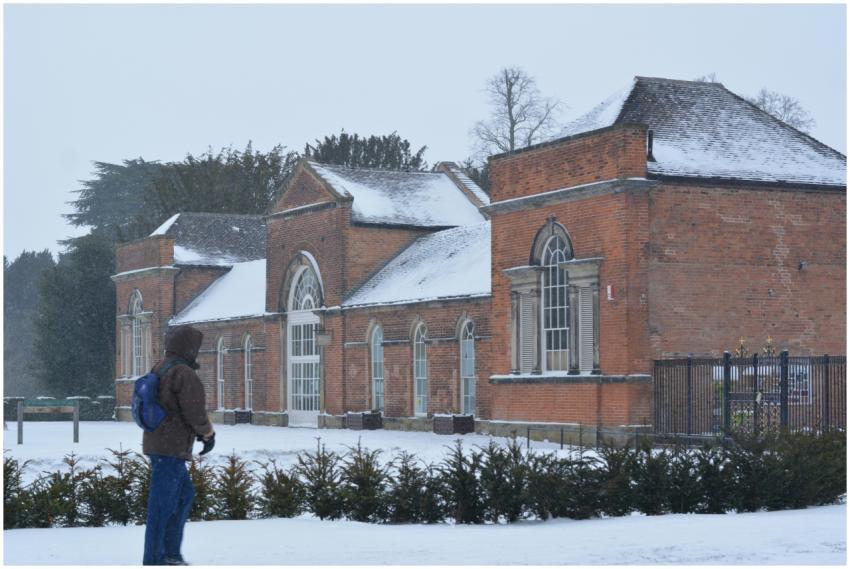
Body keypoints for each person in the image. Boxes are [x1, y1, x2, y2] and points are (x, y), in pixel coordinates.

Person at [143, 325, 215, 566]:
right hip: (170, 448)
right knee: (163, 505)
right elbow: (194, 410)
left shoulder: (161, 366)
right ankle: (156, 558)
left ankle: (171, 553)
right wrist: (207, 433)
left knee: (184, 495)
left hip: (160, 444)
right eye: (196, 347)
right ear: (188, 348)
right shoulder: (183, 373)